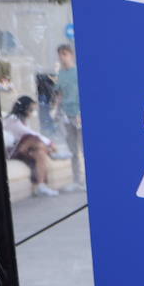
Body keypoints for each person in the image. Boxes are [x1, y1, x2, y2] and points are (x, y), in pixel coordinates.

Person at [2, 96, 60, 197]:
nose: (32, 112)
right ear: (24, 108)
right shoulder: (12, 119)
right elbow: (27, 133)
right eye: (31, 109)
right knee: (32, 138)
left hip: (23, 150)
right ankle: (51, 153)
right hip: (11, 151)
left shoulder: (24, 120)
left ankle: (41, 186)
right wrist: (50, 143)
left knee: (40, 154)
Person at [54, 43, 85, 191]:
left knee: (84, 149)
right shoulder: (61, 74)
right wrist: (57, 111)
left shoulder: (78, 72)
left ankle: (88, 180)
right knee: (73, 150)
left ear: (71, 55)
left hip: (79, 114)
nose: (62, 57)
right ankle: (77, 180)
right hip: (67, 115)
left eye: (64, 54)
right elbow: (60, 94)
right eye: (60, 55)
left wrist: (80, 113)